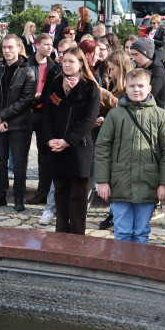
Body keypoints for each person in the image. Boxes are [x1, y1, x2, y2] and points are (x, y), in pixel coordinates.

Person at [95, 68, 165, 243]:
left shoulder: (160, 115)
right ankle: (120, 261)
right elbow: (102, 148)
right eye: (132, 86)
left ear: (149, 88)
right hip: (120, 183)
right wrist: (102, 180)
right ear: (126, 87)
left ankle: (138, 261)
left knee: (141, 232)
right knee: (122, 232)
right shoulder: (115, 115)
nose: (136, 90)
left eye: (140, 86)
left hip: (148, 183)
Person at [42, 47, 101, 234]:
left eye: (71, 61)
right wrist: (50, 139)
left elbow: (89, 120)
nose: (66, 65)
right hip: (56, 147)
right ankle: (61, 233)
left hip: (79, 148)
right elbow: (47, 115)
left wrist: (68, 141)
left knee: (77, 196)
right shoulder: (56, 83)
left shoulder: (90, 86)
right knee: (60, 193)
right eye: (64, 61)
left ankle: (77, 236)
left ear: (81, 63)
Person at [0, 34, 37, 211]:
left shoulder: (28, 72)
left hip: (20, 124)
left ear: (19, 48)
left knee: (19, 163)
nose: (6, 51)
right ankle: (0, 196)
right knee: (0, 162)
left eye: (10, 47)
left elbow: (26, 100)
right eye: (4, 47)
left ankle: (19, 198)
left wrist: (2, 116)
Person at [26, 32, 59, 205]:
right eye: (46, 44)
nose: (49, 48)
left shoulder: (54, 66)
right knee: (20, 154)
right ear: (37, 45)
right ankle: (18, 191)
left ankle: (42, 192)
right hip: (27, 112)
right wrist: (33, 97)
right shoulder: (26, 64)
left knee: (44, 156)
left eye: (51, 45)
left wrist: (42, 97)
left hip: (46, 114)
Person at [128, 37, 165, 109]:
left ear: (147, 54)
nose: (133, 58)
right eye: (132, 55)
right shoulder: (139, 67)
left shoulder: (158, 74)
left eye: (136, 55)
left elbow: (146, 98)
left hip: (155, 113)